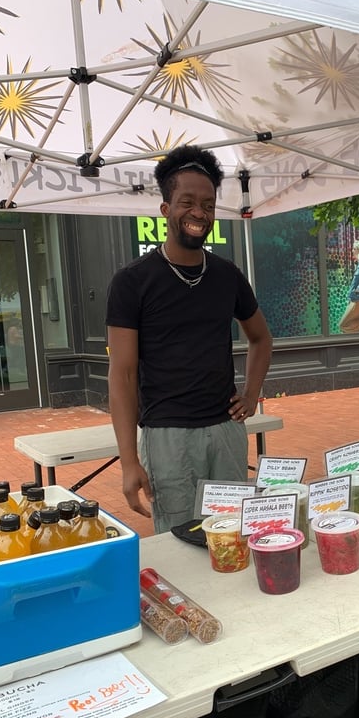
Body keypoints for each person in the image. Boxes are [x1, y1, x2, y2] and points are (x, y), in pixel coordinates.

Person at [106, 145, 272, 534]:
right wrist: (129, 461)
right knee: (179, 543)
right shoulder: (132, 282)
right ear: (166, 209)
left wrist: (250, 396)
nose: (199, 213)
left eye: (208, 204)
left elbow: (261, 339)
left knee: (233, 536)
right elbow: (123, 375)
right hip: (168, 437)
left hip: (225, 433)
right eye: (187, 202)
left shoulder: (227, 275)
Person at [339, 241, 359, 333]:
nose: (352, 251)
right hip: (355, 300)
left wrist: (356, 292)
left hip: (358, 300)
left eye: (354, 249)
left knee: (342, 325)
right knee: (355, 330)